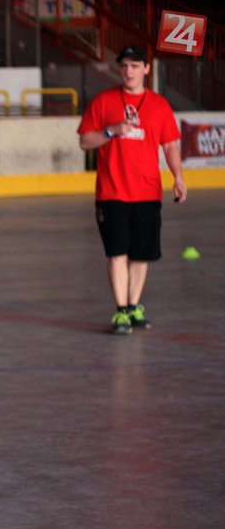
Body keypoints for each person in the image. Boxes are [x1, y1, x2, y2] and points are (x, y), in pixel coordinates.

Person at [78, 45, 186, 335]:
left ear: (146, 69)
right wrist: (111, 131)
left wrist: (178, 177)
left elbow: (170, 146)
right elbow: (85, 141)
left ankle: (134, 305)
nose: (129, 71)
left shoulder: (159, 105)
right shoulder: (103, 102)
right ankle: (121, 311)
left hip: (148, 193)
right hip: (112, 193)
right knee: (117, 253)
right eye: (124, 66)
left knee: (141, 255)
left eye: (135, 66)